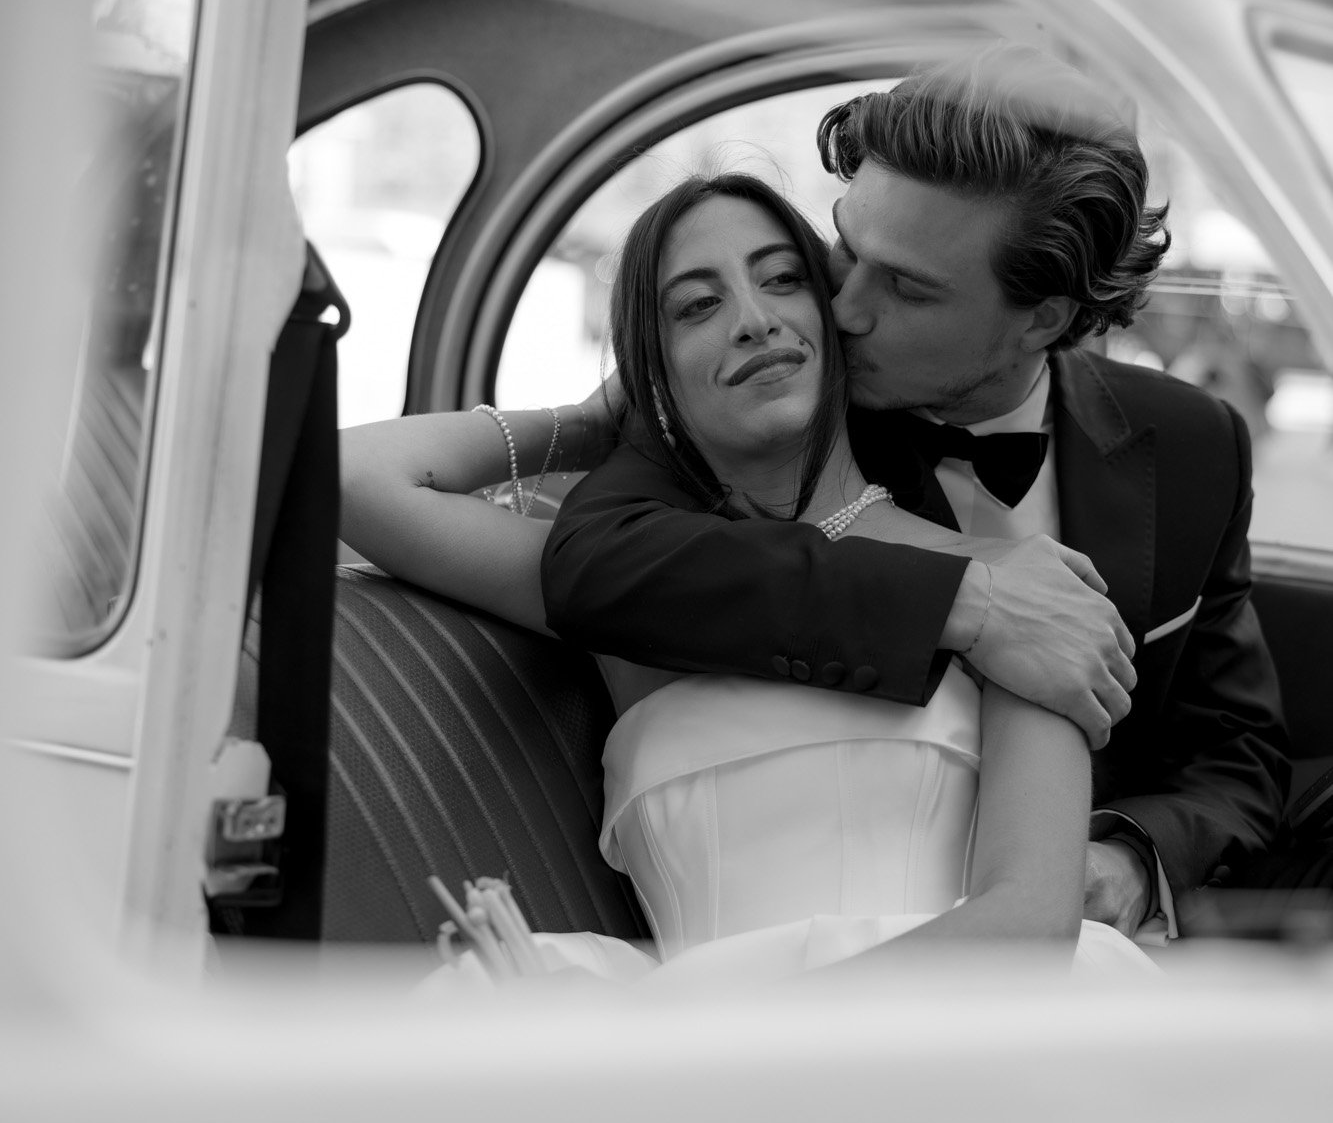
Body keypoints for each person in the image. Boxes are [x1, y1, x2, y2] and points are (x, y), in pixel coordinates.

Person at [541, 48, 1290, 941]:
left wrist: (1131, 859)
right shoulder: (779, 426)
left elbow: (1235, 755)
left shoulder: (1194, 444)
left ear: (1043, 320)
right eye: (845, 247)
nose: (842, 306)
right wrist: (965, 597)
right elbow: (596, 560)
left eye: (905, 287)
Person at [341, 168, 1153, 981]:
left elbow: (1028, 926)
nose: (753, 321)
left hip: (940, 1033)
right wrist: (589, 423)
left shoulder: (1019, 587)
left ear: (832, 318)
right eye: (698, 306)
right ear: (652, 370)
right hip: (702, 1038)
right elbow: (352, 476)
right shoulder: (627, 586)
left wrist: (750, 1049)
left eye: (782, 280)